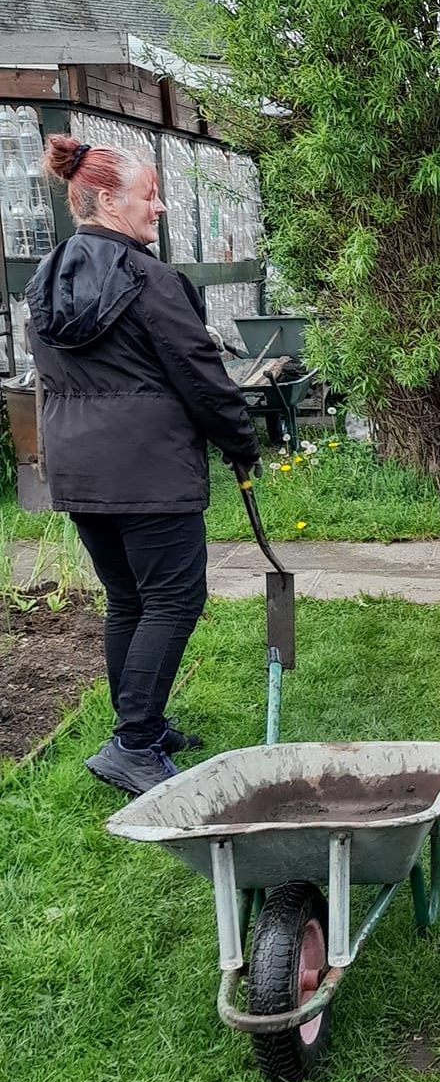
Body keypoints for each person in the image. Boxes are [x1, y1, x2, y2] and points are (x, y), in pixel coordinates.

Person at [26, 135, 261, 796]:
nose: (157, 208)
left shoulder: (48, 278)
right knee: (174, 598)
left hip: (79, 469)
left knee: (129, 597)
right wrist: (242, 441)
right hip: (148, 473)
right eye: (148, 196)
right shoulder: (148, 280)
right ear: (105, 199)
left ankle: (143, 724)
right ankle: (132, 744)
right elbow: (200, 375)